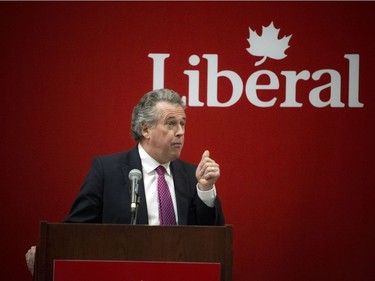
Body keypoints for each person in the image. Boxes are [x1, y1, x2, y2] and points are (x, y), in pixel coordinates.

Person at [25, 88, 224, 274]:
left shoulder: (192, 175)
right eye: (171, 123)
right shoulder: (107, 171)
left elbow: (211, 243)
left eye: (183, 123)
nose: (180, 131)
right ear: (145, 129)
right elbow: (77, 230)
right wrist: (48, 251)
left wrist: (206, 190)